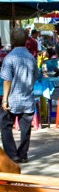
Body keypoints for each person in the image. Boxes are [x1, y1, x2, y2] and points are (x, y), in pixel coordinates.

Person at [0, 28, 38, 163]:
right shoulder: (31, 58)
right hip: (27, 98)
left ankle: (12, 154)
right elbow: (34, 77)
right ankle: (22, 154)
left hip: (12, 99)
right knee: (25, 129)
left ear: (13, 41)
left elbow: (7, 80)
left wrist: (4, 99)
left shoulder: (10, 58)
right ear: (26, 41)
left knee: (5, 125)